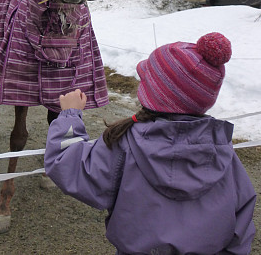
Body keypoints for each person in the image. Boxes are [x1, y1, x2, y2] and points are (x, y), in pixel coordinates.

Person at [44, 32, 256, 254]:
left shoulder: (125, 143)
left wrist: (70, 115)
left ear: (154, 93)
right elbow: (241, 223)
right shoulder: (223, 151)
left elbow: (66, 164)